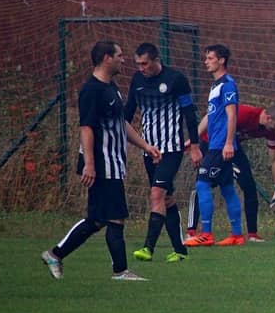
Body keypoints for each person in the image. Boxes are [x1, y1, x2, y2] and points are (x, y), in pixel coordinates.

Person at [41, 41, 161, 281]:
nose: (123, 59)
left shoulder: (111, 88)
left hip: (113, 163)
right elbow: (86, 128)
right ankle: (120, 271)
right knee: (115, 217)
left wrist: (145, 146)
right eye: (119, 55)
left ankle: (55, 254)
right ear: (107, 58)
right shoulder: (91, 90)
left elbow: (121, 123)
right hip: (102, 164)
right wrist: (90, 163)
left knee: (97, 220)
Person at [125, 43, 203, 263]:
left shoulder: (176, 79)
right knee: (166, 198)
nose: (141, 68)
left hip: (171, 149)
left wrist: (194, 146)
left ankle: (148, 248)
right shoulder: (137, 80)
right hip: (148, 150)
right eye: (138, 64)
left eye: (145, 63)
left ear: (156, 60)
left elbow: (189, 114)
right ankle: (180, 250)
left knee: (156, 194)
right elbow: (127, 113)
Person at [188, 103, 275, 242]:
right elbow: (211, 115)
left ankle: (252, 234)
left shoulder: (271, 131)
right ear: (268, 118)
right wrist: (193, 142)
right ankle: (191, 232)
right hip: (211, 143)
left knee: (248, 185)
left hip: (231, 147)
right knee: (202, 185)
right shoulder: (244, 113)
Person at [184, 44, 244, 247]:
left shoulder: (227, 84)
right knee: (227, 188)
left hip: (220, 146)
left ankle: (206, 234)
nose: (206, 62)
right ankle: (237, 235)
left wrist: (228, 143)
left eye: (210, 58)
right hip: (217, 145)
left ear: (222, 60)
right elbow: (210, 117)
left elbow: (232, 115)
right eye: (206, 58)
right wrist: (193, 139)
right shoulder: (215, 85)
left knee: (202, 184)